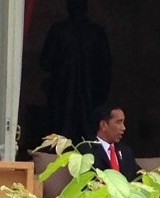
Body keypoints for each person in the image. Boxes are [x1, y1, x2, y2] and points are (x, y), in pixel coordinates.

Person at [40, 0, 111, 143]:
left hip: (62, 98)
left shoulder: (58, 30)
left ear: (68, 8)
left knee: (60, 143)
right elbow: (106, 71)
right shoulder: (97, 33)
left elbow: (45, 63)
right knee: (89, 144)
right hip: (90, 100)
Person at [80, 104, 138, 182]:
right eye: (118, 122)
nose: (123, 128)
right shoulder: (87, 150)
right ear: (103, 125)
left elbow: (137, 177)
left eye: (123, 122)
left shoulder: (126, 151)